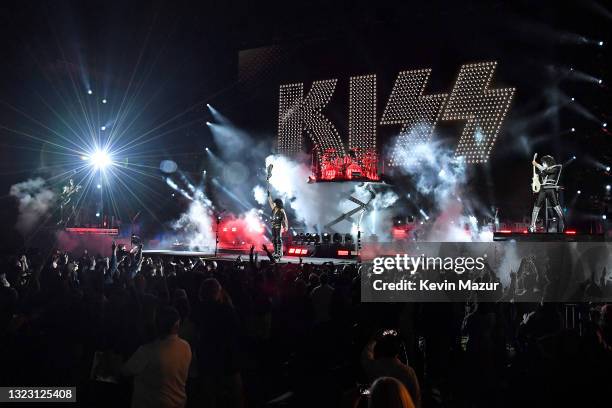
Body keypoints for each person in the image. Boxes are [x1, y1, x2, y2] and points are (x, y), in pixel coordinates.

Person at [122, 306, 192, 408]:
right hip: (177, 403)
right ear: (176, 325)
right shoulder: (186, 347)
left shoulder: (148, 351)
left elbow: (125, 370)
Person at [361, 330, 421, 408]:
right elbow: (416, 397)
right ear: (397, 351)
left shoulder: (373, 367)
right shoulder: (408, 371)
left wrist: (374, 339)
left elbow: (365, 355)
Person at [529, 154, 565, 232]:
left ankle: (564, 222)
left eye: (543, 163)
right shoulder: (544, 170)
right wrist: (536, 179)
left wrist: (537, 164)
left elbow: (548, 171)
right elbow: (542, 173)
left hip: (551, 188)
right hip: (543, 189)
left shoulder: (557, 167)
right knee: (536, 206)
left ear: (548, 162)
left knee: (556, 206)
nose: (543, 164)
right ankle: (532, 225)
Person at [267, 191, 288, 261]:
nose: (273, 203)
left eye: (275, 202)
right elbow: (270, 202)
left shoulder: (281, 210)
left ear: (277, 203)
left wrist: (286, 226)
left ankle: (279, 253)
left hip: (279, 226)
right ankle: (276, 252)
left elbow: (285, 218)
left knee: (278, 239)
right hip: (273, 226)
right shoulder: (274, 209)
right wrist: (269, 196)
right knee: (274, 239)